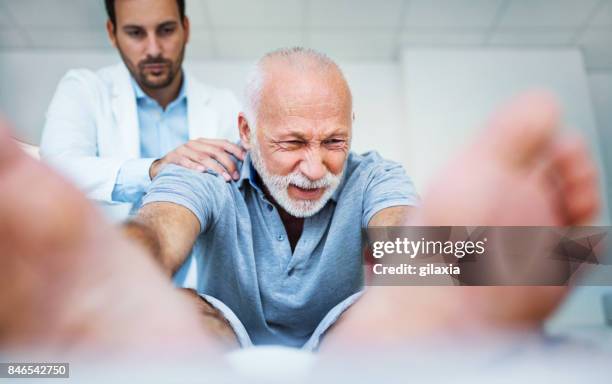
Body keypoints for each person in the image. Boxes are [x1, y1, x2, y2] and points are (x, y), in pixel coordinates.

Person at [0, 49, 599, 354]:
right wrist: (115, 269)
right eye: (291, 143)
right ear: (246, 129)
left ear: (352, 129)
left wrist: (557, 254)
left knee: (380, 296)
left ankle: (417, 309)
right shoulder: (211, 170)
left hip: (345, 331)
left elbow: (395, 233)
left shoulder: (372, 175)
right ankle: (118, 304)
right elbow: (161, 228)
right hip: (224, 334)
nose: (315, 167)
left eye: (333, 141)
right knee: (185, 311)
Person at [39, 0, 244, 220]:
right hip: (111, 252)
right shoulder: (84, 89)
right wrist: (155, 169)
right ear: (112, 33)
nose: (154, 49)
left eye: (166, 30)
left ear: (186, 29)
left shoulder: (225, 105)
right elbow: (57, 170)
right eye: (136, 33)